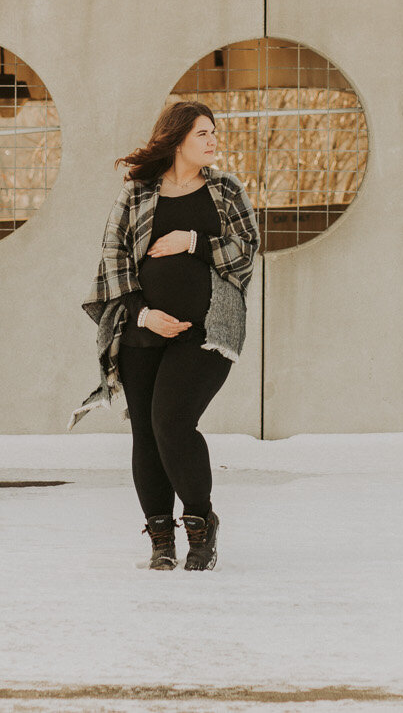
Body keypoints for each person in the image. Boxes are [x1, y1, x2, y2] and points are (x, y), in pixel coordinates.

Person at [72, 100, 259, 571]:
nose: (213, 140)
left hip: (208, 331)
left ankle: (200, 523)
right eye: (203, 133)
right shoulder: (137, 194)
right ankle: (160, 539)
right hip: (142, 331)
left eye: (214, 132)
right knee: (146, 435)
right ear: (177, 138)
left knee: (172, 421)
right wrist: (141, 314)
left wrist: (193, 241)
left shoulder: (225, 190)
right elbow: (113, 257)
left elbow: (247, 250)